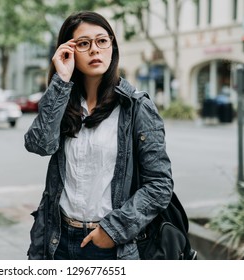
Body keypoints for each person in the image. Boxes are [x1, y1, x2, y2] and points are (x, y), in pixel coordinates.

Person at [24, 11, 173, 260]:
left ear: (112, 46)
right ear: (68, 51)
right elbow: (39, 144)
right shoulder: (64, 103)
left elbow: (160, 185)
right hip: (57, 239)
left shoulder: (135, 107)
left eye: (102, 41)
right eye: (84, 43)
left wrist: (113, 230)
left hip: (110, 245)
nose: (95, 49)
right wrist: (61, 80)